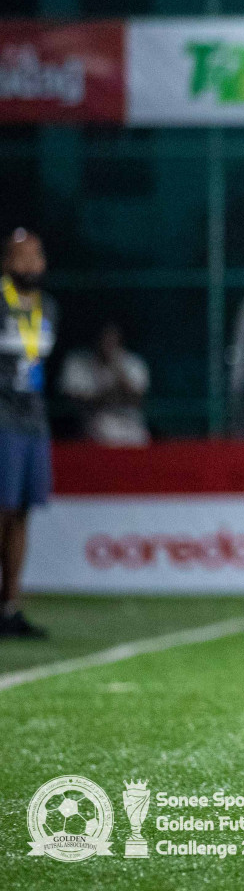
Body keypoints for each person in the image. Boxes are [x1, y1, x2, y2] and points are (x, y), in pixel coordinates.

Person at [0, 229, 57, 639]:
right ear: (8, 261)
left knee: (22, 513)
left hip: (34, 422)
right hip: (1, 420)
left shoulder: (48, 306)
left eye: (38, 255)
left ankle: (10, 606)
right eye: (25, 256)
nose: (34, 263)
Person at [60, 323, 151, 446]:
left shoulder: (132, 362)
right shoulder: (77, 361)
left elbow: (137, 398)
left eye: (113, 338)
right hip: (96, 421)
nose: (107, 343)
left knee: (140, 437)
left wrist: (117, 368)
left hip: (129, 421)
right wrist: (105, 396)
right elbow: (73, 400)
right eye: (104, 338)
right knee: (103, 430)